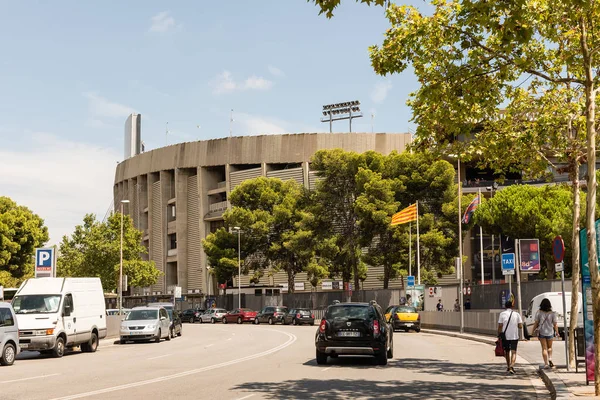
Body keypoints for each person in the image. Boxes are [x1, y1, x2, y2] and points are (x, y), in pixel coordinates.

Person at [532, 298, 559, 369]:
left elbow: (536, 323)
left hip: (542, 332)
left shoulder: (538, 312)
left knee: (544, 348)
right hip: (550, 332)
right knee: (549, 347)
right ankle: (550, 358)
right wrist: (557, 332)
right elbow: (555, 324)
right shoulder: (553, 313)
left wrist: (532, 331)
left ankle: (546, 363)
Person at [498, 300, 523, 375]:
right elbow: (520, 326)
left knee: (507, 351)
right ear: (512, 306)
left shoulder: (502, 314)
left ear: (505, 306)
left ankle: (508, 366)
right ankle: (512, 366)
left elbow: (500, 325)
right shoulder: (517, 314)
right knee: (514, 351)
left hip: (505, 336)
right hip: (514, 335)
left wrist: (499, 333)